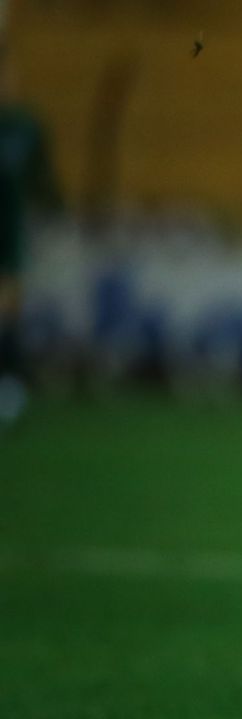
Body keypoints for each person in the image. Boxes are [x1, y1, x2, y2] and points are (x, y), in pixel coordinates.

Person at [0, 37, 59, 427]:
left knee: (8, 309)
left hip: (9, 236)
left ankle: (10, 386)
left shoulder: (26, 127)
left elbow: (44, 184)